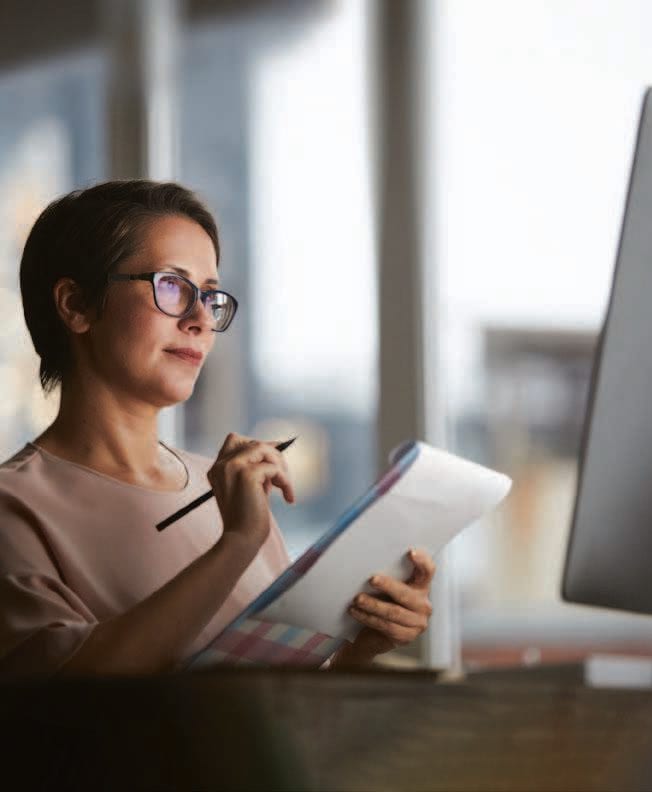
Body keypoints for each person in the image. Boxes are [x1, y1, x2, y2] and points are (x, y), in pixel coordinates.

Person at [0, 179, 435, 677]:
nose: (201, 320)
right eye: (171, 285)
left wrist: (356, 651)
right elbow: (68, 694)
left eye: (208, 295)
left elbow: (271, 694)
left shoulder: (226, 490)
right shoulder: (15, 507)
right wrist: (236, 545)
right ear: (75, 305)